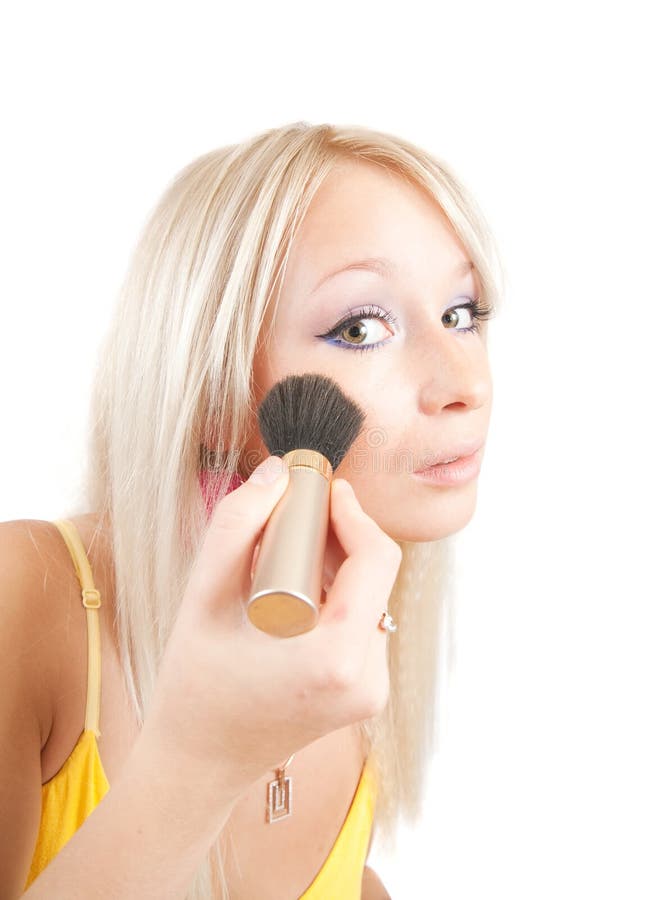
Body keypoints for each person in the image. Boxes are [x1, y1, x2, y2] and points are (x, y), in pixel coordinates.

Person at [0, 121, 504, 899]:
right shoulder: (23, 596)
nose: (463, 379)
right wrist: (202, 757)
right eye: (361, 327)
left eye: (461, 312)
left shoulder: (344, 674)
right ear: (213, 399)